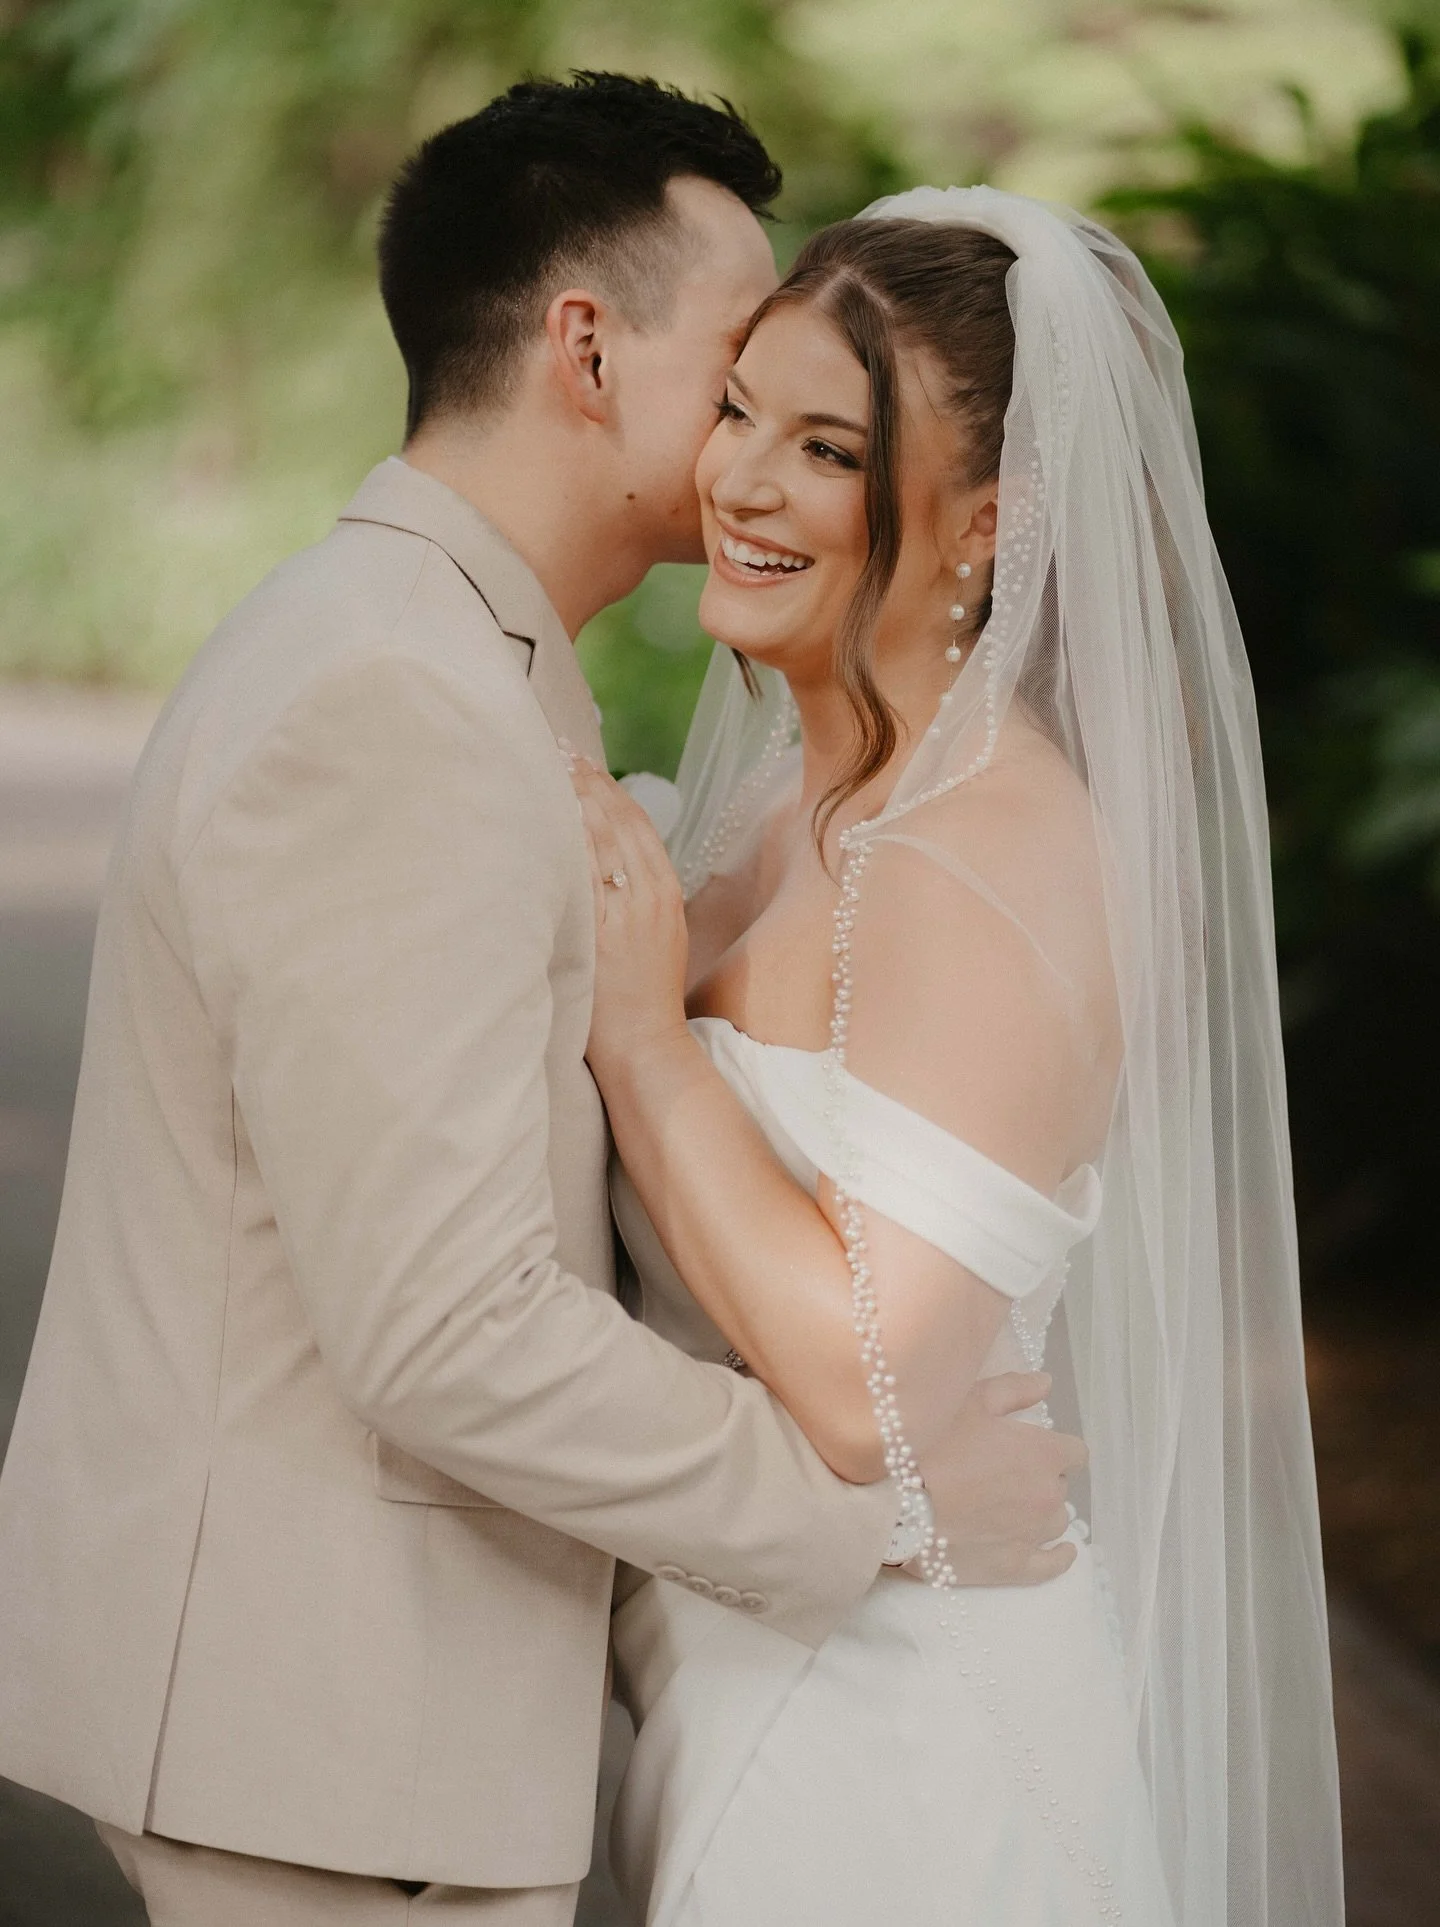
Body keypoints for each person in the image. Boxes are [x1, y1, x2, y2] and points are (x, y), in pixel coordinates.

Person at [0, 83, 1084, 1927]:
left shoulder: (457, 664)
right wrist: (881, 1513)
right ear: (586, 349)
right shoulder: (396, 703)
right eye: (733, 376)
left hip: (423, 1745)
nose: (748, 449)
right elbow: (449, 1324)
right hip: (328, 1757)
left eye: (812, 425)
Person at [569, 190, 1344, 1925]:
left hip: (903, 1752)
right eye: (740, 412)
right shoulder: (780, 805)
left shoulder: (982, 856)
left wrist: (645, 1043)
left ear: (987, 523)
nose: (743, 482)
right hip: (753, 1694)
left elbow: (873, 1388)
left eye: (829, 450)